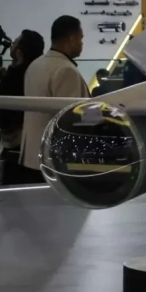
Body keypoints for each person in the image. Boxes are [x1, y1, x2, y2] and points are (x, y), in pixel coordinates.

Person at [19, 15, 89, 184]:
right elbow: (71, 117)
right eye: (81, 39)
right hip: (54, 159)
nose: (82, 44)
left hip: (30, 155)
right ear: (71, 39)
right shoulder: (65, 70)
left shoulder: (36, 65)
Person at [0, 30, 45, 185]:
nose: (11, 45)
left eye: (14, 42)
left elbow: (0, 111)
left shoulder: (15, 76)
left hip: (16, 144)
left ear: (19, 52)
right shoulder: (38, 73)